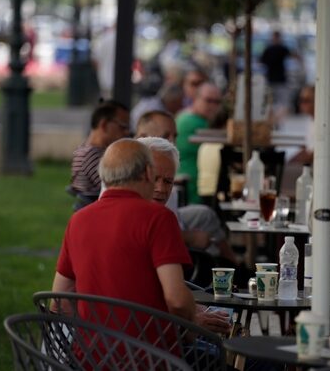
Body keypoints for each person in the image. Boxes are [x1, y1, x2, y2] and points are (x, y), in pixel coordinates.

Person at [53, 138, 231, 335]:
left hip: (91, 359)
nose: (162, 189)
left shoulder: (78, 220)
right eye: (156, 178)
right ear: (147, 172)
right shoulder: (159, 218)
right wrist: (190, 322)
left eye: (168, 181)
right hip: (153, 357)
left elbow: (59, 303)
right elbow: (177, 301)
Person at [136, 115, 241, 268]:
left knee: (205, 214)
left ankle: (233, 266)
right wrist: (189, 238)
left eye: (175, 136)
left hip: (172, 232)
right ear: (143, 136)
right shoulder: (130, 169)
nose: (172, 140)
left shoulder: (164, 168)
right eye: (166, 136)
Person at [68, 100, 130, 211]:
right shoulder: (92, 156)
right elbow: (116, 189)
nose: (126, 132)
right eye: (123, 126)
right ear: (104, 125)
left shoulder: (85, 149)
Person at [289, 85, 330, 183]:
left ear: (317, 101)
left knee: (286, 176)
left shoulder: (327, 121)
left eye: (306, 100)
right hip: (322, 172)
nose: (302, 104)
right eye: (300, 100)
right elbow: (308, 149)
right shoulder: (314, 120)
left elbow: (312, 155)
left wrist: (288, 163)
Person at [176, 83, 223, 204]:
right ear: (196, 99)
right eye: (208, 101)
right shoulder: (192, 122)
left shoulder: (189, 117)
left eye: (217, 102)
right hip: (193, 188)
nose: (213, 106)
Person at [260, 31, 292, 111]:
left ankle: (277, 119)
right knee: (273, 102)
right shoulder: (270, 49)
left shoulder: (282, 49)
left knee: (280, 102)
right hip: (272, 79)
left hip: (279, 79)